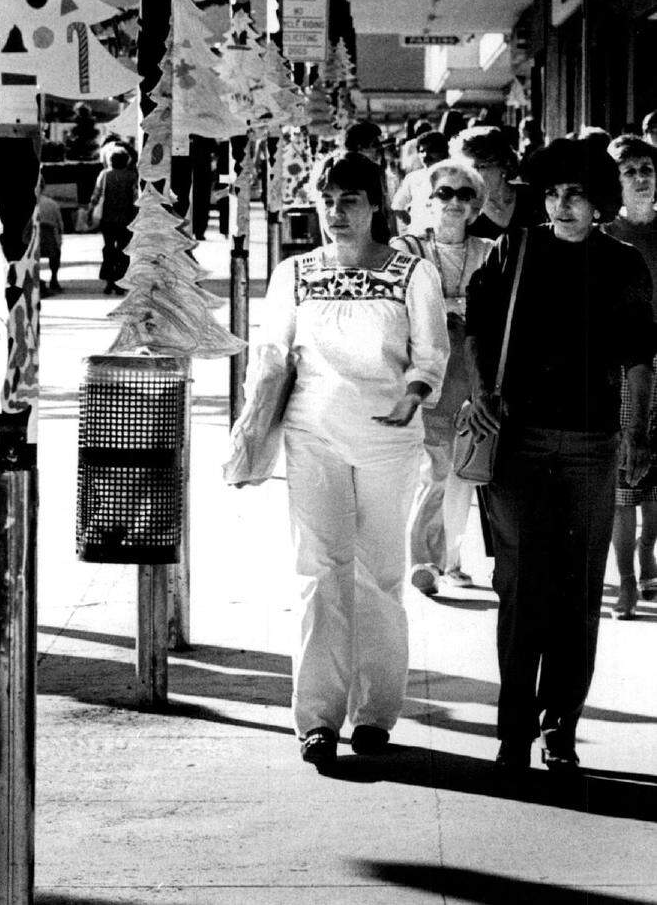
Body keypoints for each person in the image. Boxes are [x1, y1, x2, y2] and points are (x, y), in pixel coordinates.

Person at [249, 152, 448, 768]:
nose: (337, 212)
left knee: (380, 575)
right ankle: (316, 717)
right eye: (328, 200)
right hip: (312, 436)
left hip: (388, 440)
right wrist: (252, 425)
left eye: (350, 200)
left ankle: (375, 714)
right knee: (318, 570)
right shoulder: (295, 272)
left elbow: (430, 352)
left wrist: (414, 394)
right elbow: (273, 353)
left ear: (374, 205)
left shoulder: (412, 274)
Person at [463, 138, 653, 773]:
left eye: (574, 194)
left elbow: (638, 358)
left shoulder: (623, 264)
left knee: (577, 593)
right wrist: (483, 392)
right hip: (519, 445)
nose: (562, 205)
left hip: (593, 446)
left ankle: (560, 727)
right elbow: (476, 326)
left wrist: (635, 434)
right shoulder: (514, 251)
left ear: (598, 201)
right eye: (552, 194)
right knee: (521, 586)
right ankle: (513, 728)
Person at [394, 158, 493, 594]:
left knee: (465, 474)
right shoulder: (407, 249)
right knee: (435, 471)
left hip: (474, 378)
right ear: (428, 201)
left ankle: (450, 561)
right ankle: (424, 561)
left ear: (476, 206)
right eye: (445, 193)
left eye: (464, 195)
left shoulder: (491, 252)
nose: (454, 202)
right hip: (428, 375)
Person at [604, 135, 657, 616]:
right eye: (630, 171)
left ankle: (649, 557)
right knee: (624, 477)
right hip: (624, 365)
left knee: (656, 479)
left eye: (647, 169)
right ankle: (624, 580)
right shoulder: (605, 235)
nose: (640, 178)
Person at [457, 126, 539, 240]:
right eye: (467, 170)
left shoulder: (532, 196)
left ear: (504, 165)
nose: (472, 175)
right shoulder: (465, 210)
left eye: (481, 167)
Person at [86, 145, 137, 294]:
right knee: (124, 250)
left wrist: (90, 211)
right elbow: (135, 198)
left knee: (108, 249)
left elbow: (96, 195)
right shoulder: (131, 176)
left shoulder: (104, 175)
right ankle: (121, 281)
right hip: (126, 220)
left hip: (107, 219)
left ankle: (109, 281)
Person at [390, 130, 449, 231]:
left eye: (432, 150)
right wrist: (413, 225)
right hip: (421, 238)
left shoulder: (457, 177)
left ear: (444, 152)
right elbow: (397, 206)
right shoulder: (413, 178)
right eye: (422, 151)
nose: (426, 155)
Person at [34, 180, 64, 294]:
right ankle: (54, 278)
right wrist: (59, 241)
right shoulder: (52, 204)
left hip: (30, 247)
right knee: (56, 252)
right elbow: (60, 226)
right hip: (48, 244)